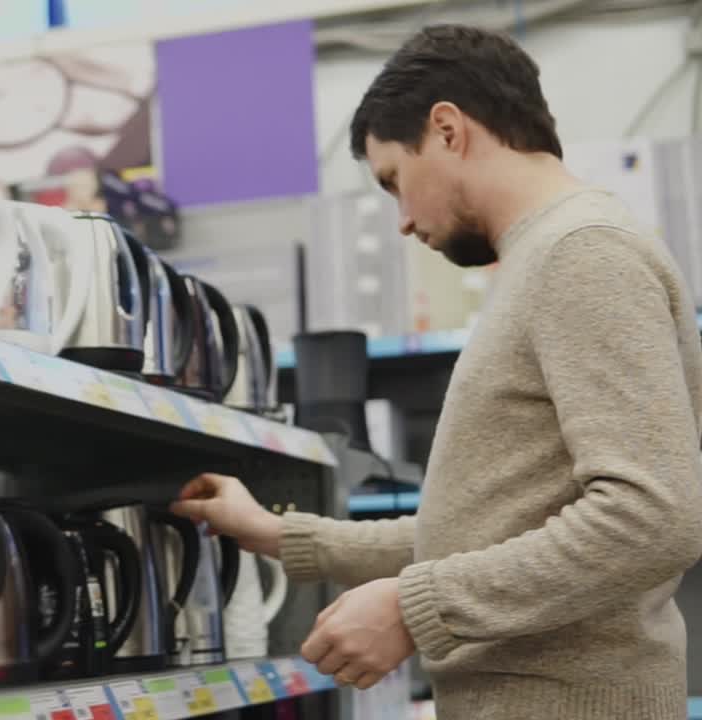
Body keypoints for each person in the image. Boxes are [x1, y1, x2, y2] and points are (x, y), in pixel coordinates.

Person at [171, 23, 702, 720]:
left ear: (448, 130)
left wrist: (414, 606)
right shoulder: (546, 259)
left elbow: (651, 518)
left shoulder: (582, 254)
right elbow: (479, 532)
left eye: (394, 180)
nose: (401, 220)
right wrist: (282, 535)